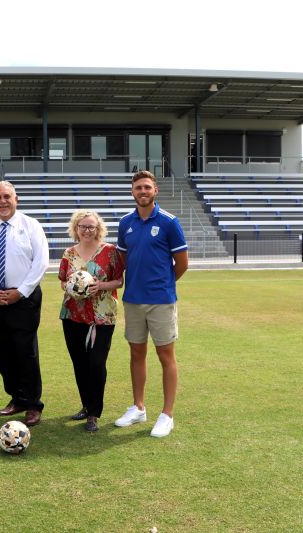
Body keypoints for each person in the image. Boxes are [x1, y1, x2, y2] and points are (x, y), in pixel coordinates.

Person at [114, 170, 188, 438]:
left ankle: (167, 414)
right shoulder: (125, 223)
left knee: (165, 356)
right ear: (132, 192)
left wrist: (163, 285)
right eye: (137, 188)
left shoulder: (169, 222)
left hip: (161, 301)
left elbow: (182, 264)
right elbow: (122, 261)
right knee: (136, 354)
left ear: (155, 190)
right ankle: (139, 407)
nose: (142, 192)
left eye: (147, 187)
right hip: (133, 301)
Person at [0, 181, 49, 427]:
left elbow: (40, 262)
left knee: (25, 352)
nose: (2, 201)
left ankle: (32, 404)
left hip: (23, 299)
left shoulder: (31, 226)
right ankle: (16, 398)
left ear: (15, 199)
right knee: (3, 353)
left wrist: (21, 291)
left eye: (7, 197)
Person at [58, 210, 124, 432]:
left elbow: (119, 280)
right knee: (80, 363)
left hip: (102, 315)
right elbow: (61, 281)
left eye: (91, 227)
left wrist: (99, 286)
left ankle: (94, 413)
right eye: (82, 226)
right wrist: (71, 286)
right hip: (73, 315)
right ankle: (86, 406)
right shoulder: (68, 253)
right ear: (75, 228)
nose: (87, 230)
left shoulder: (110, 251)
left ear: (98, 229)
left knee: (96, 364)